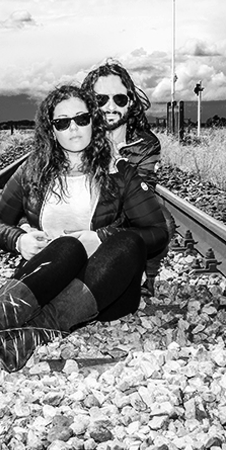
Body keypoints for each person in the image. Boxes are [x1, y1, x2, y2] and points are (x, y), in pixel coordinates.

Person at [0, 84, 168, 401]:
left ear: (94, 121)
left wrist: (100, 237)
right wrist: (19, 240)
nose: (74, 128)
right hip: (47, 279)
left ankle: (31, 332)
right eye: (62, 122)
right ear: (51, 130)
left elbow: (157, 231)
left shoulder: (119, 172)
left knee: (128, 242)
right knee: (68, 247)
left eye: (82, 119)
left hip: (106, 287)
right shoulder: (32, 171)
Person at [81, 60, 174, 297]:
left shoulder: (145, 144)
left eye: (119, 99)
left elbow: (144, 195)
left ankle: (147, 279)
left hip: (121, 213)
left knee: (162, 219)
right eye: (101, 99)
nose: (110, 106)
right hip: (84, 209)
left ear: (130, 101)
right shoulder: (77, 135)